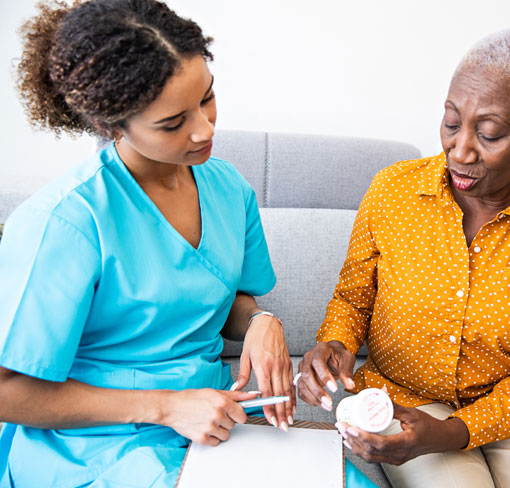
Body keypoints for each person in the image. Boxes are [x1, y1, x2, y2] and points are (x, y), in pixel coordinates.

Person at [0, 1, 298, 486]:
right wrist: (166, 407)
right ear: (111, 124)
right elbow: (8, 391)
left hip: (215, 418)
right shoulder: (64, 221)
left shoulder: (229, 188)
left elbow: (228, 301)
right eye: (172, 122)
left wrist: (261, 321)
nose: (205, 128)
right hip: (97, 444)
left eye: (208, 97)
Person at [297, 28, 510, 488]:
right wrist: (335, 345)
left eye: (490, 134)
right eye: (452, 122)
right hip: (404, 398)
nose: (460, 151)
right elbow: (353, 299)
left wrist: (454, 432)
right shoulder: (392, 191)